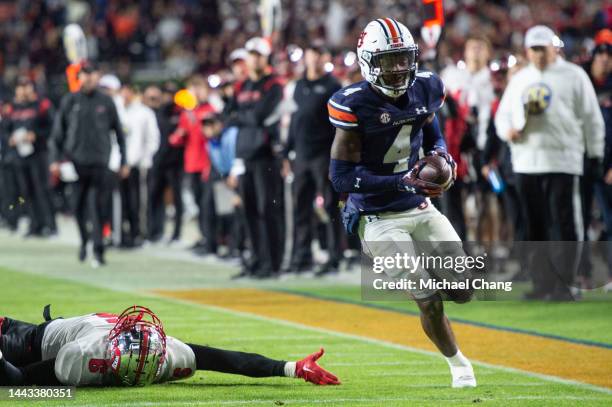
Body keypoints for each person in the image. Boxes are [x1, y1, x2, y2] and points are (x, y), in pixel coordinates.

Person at [328, 18, 475, 388]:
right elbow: (341, 178)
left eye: (402, 59)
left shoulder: (426, 88)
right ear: (367, 62)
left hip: (419, 209)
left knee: (463, 290)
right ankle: (459, 365)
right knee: (429, 298)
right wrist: (401, 180)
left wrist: (442, 158)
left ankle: (420, 274)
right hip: (377, 216)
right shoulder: (353, 104)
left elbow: (431, 130)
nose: (397, 68)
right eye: (388, 60)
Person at [494, 25, 605, 300]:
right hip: (526, 162)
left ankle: (565, 284)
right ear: (527, 51)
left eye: (543, 49)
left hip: (564, 161)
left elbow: (592, 118)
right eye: (534, 50)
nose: (538, 55)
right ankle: (542, 283)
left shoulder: (574, 75)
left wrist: (596, 154)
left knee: (565, 225)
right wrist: (508, 132)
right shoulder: (520, 79)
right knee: (535, 227)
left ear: (554, 48)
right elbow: (502, 117)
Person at [0, 305, 340, 387]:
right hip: (32, 340)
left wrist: (292, 368)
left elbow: (226, 360)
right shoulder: (88, 353)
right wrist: (290, 368)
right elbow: (223, 359)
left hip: (64, 353)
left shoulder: (164, 355)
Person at [49, 62, 129, 267]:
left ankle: (99, 248)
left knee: (101, 207)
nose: (88, 78)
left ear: (97, 77)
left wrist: (123, 161)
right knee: (77, 206)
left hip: (101, 162)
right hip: (75, 164)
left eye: (91, 74)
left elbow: (119, 133)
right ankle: (85, 241)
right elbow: (58, 134)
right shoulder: (70, 100)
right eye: (84, 74)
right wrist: (55, 160)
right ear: (79, 77)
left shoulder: (106, 101)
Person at [283, 42, 343, 275]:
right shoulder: (297, 86)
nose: (315, 58)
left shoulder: (332, 86)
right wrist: (287, 151)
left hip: (323, 155)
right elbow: (293, 119)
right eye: (312, 53)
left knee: (330, 207)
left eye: (320, 54)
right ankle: (302, 256)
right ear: (306, 57)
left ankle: (333, 257)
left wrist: (336, 158)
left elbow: (340, 125)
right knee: (301, 208)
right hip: (301, 155)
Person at [228, 37, 285, 278]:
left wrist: (243, 116)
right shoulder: (242, 87)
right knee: (249, 211)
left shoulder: (273, 85)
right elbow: (227, 114)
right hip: (245, 156)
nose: (254, 59)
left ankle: (272, 263)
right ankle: (256, 259)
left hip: (265, 156)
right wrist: (245, 116)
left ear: (266, 57)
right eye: (251, 54)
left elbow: (260, 115)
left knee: (267, 210)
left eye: (258, 55)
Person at [169, 75, 216, 253]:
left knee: (207, 205)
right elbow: (178, 139)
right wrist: (179, 135)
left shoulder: (209, 111)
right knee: (198, 204)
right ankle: (204, 237)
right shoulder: (188, 113)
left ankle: (211, 240)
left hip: (206, 164)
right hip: (191, 164)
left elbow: (211, 137)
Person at [6, 77, 57, 237]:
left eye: (25, 86)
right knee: (25, 191)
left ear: (31, 88)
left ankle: (50, 225)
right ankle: (34, 224)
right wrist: (11, 139)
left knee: (42, 190)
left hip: (39, 154)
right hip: (20, 156)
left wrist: (36, 135)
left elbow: (53, 127)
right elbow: (6, 129)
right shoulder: (13, 108)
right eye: (20, 87)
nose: (22, 90)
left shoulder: (42, 104)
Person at [119, 83, 160, 247]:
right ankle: (127, 233)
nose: (124, 96)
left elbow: (152, 140)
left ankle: (141, 234)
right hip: (122, 166)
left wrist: (143, 160)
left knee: (140, 202)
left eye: (127, 93)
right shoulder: (121, 112)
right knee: (125, 202)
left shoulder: (145, 113)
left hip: (140, 166)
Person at [145, 84, 184, 243]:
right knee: (154, 196)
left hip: (175, 163)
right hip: (158, 162)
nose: (168, 97)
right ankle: (154, 230)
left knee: (177, 198)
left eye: (171, 94)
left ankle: (176, 232)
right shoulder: (156, 113)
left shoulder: (179, 113)